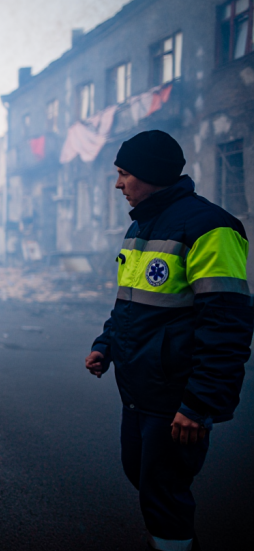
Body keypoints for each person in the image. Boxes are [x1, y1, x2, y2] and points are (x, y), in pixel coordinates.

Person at [85, 131, 253, 551]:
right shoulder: (141, 227)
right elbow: (130, 302)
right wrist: (106, 344)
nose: (119, 184)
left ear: (152, 174)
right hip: (139, 391)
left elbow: (227, 327)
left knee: (163, 495)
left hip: (175, 397)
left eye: (124, 174)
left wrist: (198, 405)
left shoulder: (211, 228)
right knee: (140, 473)